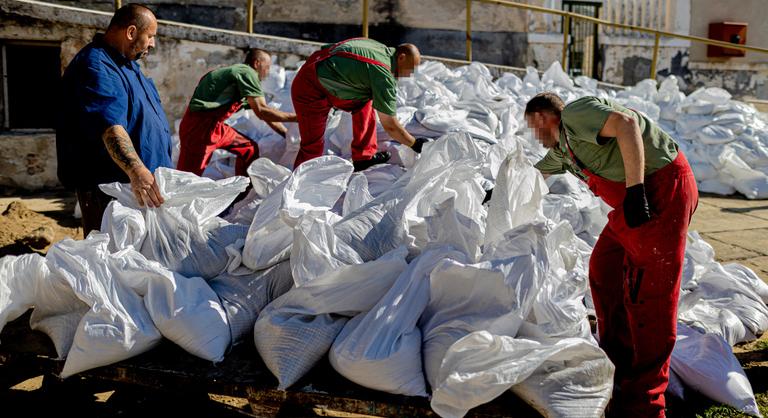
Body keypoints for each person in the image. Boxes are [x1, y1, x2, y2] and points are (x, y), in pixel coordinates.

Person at [525, 92, 698, 417]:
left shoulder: (576, 114)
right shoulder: (563, 149)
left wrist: (634, 191)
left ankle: (645, 403)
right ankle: (618, 366)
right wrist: (495, 192)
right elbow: (534, 175)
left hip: (659, 190)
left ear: (543, 117)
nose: (534, 135)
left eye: (533, 126)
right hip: (633, 203)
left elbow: (627, 124)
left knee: (650, 297)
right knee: (605, 270)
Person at [57, 4, 171, 236]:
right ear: (131, 32)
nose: (152, 44)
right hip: (110, 191)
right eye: (150, 36)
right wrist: (137, 169)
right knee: (109, 258)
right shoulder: (97, 65)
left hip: (138, 189)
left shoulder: (128, 66)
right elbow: (110, 127)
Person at [291, 38, 430, 171]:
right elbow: (390, 125)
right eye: (410, 68)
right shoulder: (383, 75)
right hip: (309, 89)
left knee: (364, 101)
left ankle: (363, 157)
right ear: (402, 58)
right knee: (312, 146)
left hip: (324, 75)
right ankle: (300, 186)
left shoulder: (378, 47)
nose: (409, 74)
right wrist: (414, 143)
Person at [176, 49, 297, 176]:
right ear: (257, 63)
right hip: (199, 130)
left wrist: (287, 135)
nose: (267, 73)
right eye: (267, 67)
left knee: (248, 148)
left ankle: (243, 193)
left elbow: (265, 113)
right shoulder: (247, 72)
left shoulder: (238, 77)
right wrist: (298, 118)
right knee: (187, 177)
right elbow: (262, 111)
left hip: (216, 128)